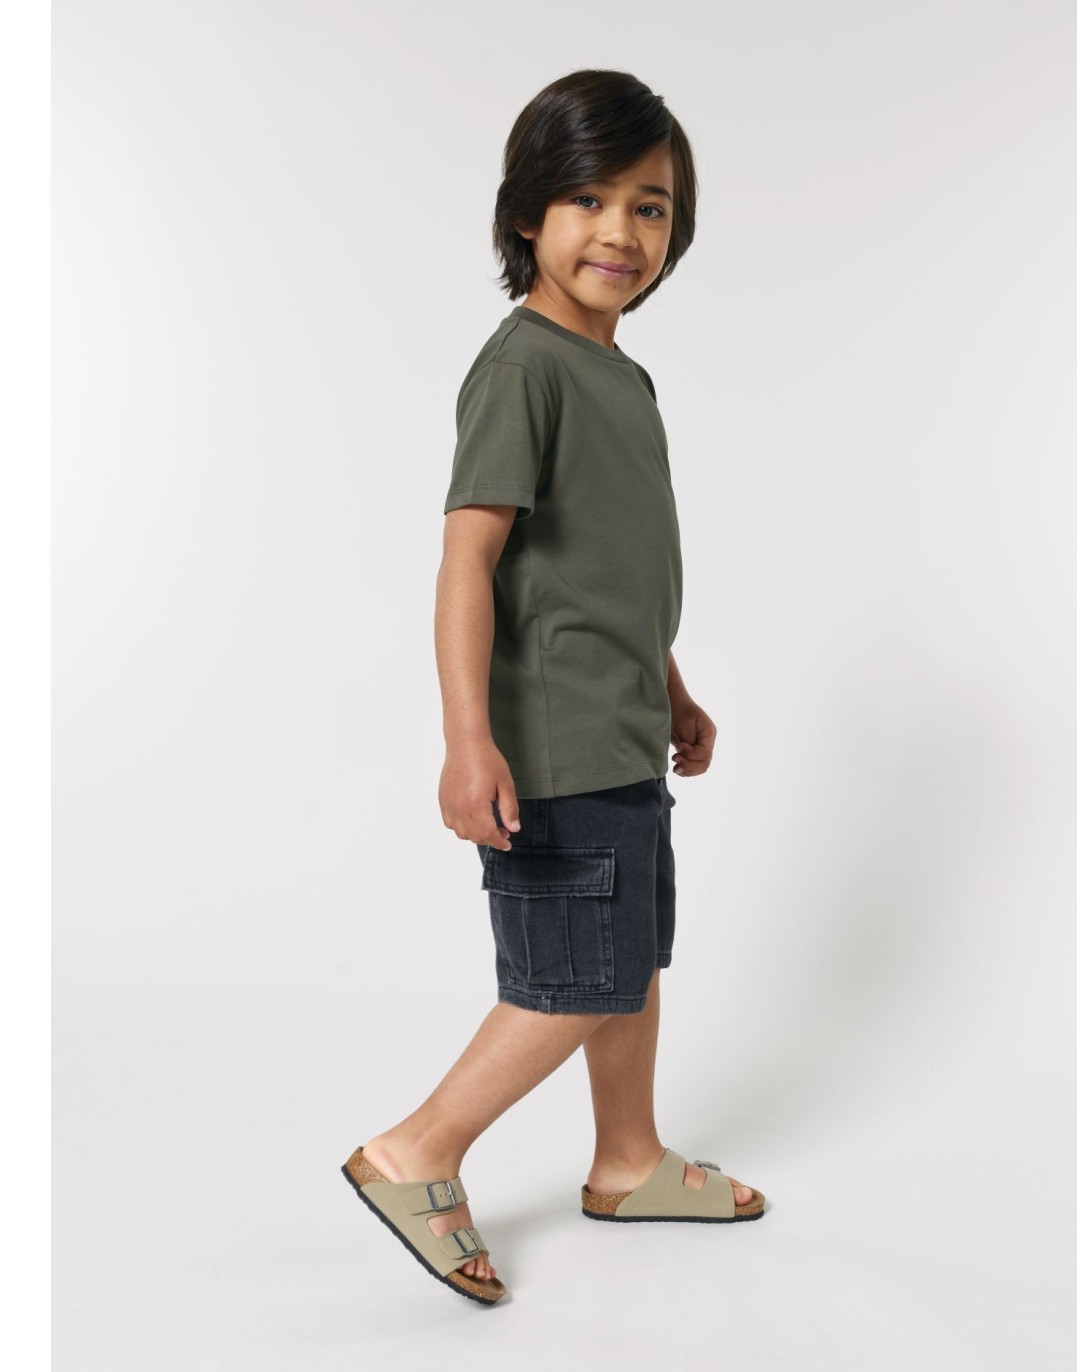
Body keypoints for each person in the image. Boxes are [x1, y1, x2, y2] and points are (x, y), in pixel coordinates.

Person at [341, 69, 766, 1307]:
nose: (620, 231)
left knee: (628, 953)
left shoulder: (621, 378)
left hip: (621, 726)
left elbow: (601, 571)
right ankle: (417, 1149)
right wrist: (466, 741)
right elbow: (468, 561)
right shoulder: (522, 368)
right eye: (588, 198)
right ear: (528, 213)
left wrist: (670, 685)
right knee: (574, 979)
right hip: (554, 743)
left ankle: (628, 1159)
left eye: (650, 205)